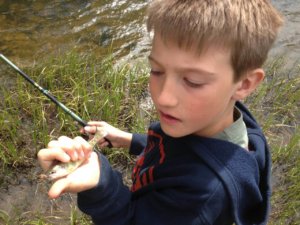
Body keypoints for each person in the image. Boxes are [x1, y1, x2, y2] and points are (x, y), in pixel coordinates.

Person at [37, 0, 283, 224]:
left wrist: (103, 185)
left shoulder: (203, 194)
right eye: (156, 70)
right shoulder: (206, 120)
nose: (164, 97)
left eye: (193, 81)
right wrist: (129, 140)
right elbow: (179, 148)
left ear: (244, 84)